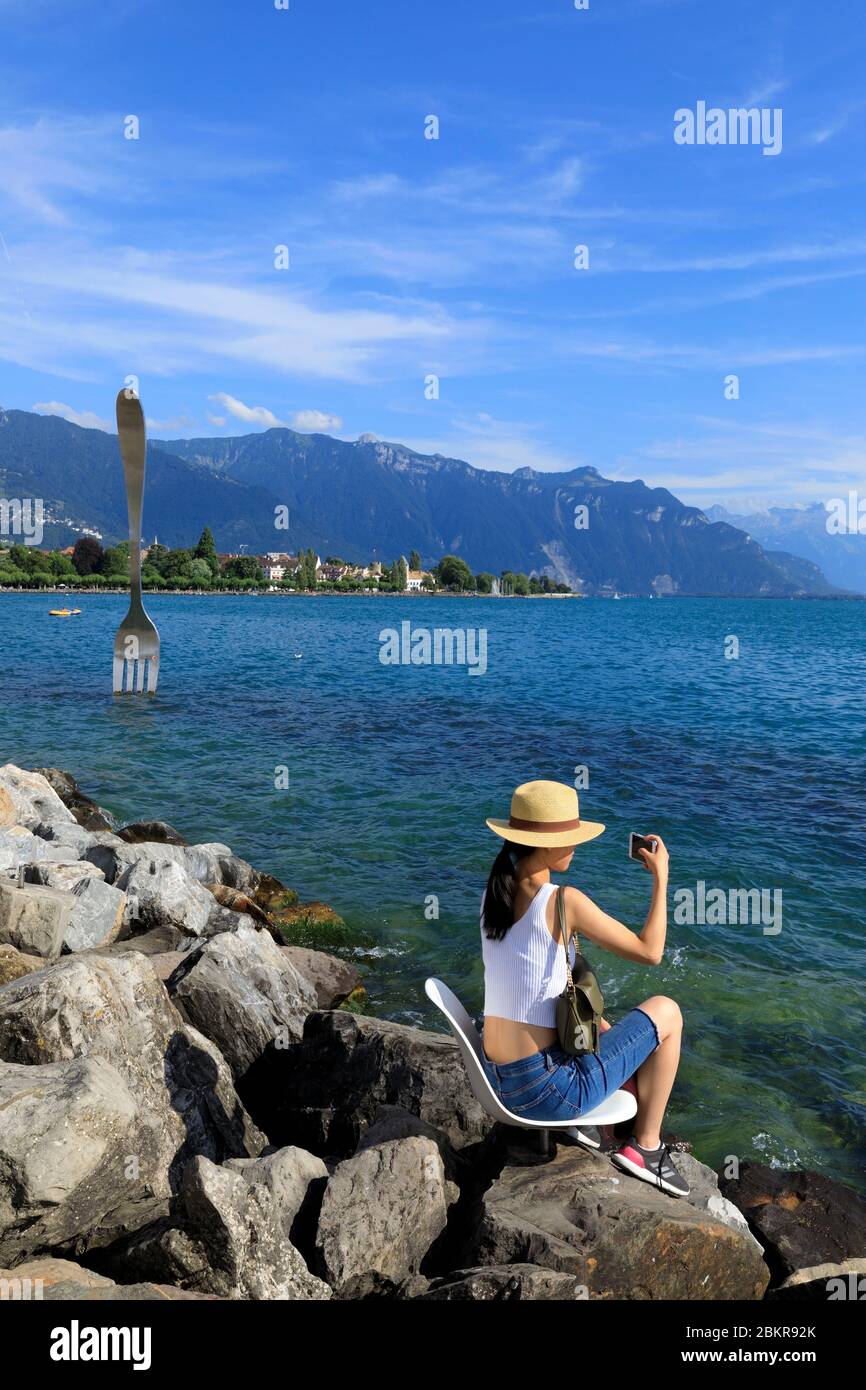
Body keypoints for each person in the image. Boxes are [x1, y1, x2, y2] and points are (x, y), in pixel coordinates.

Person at [480, 779, 689, 1198]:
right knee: (668, 1011)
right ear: (547, 843)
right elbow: (651, 951)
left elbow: (535, 991)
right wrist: (661, 879)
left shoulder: (493, 894)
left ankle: (586, 1124)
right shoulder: (564, 901)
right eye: (571, 837)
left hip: (496, 1082)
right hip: (546, 1093)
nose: (578, 846)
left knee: (604, 1019)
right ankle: (645, 1149)